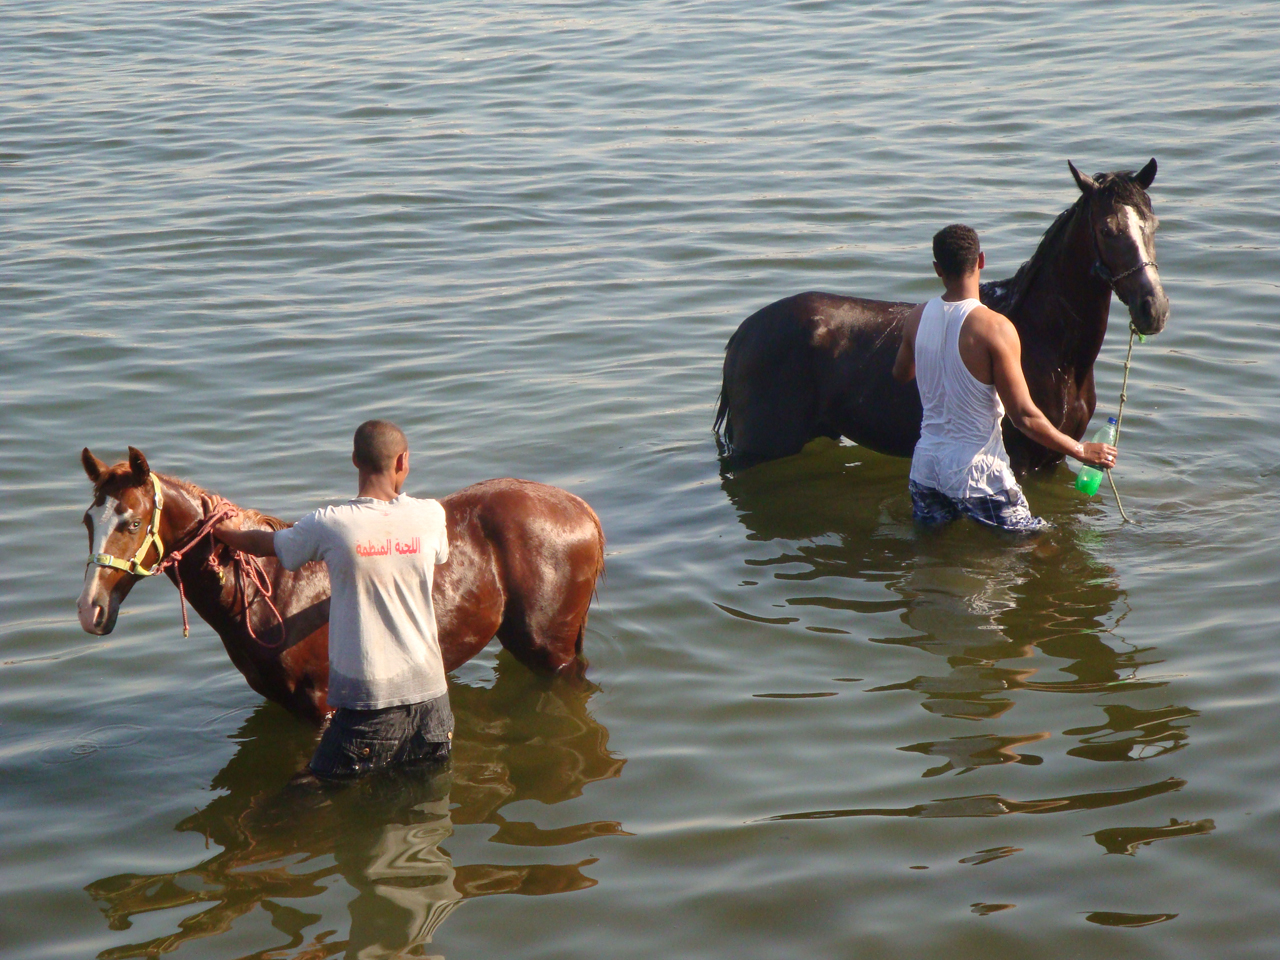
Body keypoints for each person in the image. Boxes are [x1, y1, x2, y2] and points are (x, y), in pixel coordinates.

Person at [211, 419, 453, 778]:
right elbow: (439, 556)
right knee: (420, 803)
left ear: (354, 460)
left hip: (368, 707)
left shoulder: (330, 525)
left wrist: (223, 530)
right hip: (434, 702)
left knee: (305, 798)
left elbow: (264, 545)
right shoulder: (432, 515)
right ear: (403, 461)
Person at [892, 224, 1117, 532]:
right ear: (981, 260)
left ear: (936, 269)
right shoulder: (995, 328)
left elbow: (902, 373)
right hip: (978, 475)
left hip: (926, 470)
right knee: (1038, 544)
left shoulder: (915, 318)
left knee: (934, 552)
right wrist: (1080, 450)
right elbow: (1024, 416)